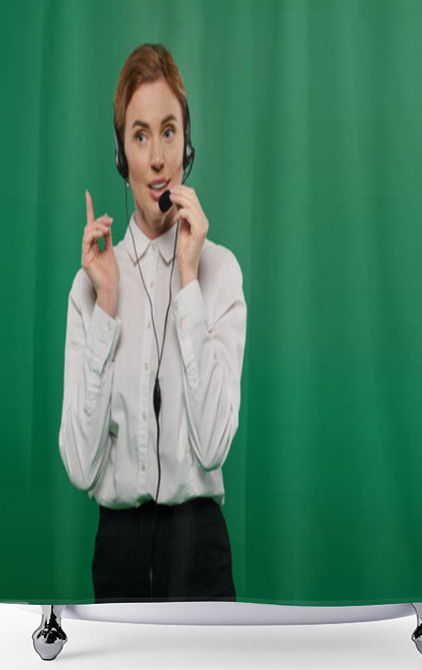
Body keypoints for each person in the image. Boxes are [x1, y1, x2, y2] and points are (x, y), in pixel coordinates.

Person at [59, 43, 246, 603]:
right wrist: (107, 306)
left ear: (187, 146)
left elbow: (213, 447)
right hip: (120, 548)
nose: (158, 158)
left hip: (201, 544)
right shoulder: (91, 287)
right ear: (122, 156)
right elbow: (78, 463)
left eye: (169, 132)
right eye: (141, 136)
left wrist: (188, 281)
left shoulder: (221, 272)